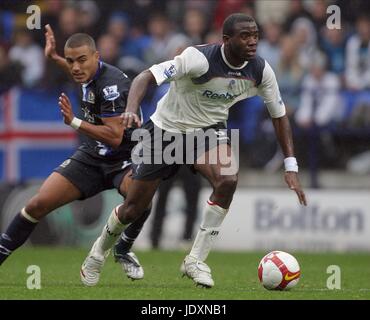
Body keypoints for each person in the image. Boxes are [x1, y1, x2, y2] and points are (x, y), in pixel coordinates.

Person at [86, 13, 307, 288]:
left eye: (255, 35)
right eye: (245, 36)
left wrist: (290, 166)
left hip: (208, 131)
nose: (253, 42)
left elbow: (279, 115)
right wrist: (131, 109)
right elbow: (146, 76)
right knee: (133, 208)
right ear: (226, 40)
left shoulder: (260, 70)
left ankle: (195, 260)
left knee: (228, 179)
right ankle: (98, 252)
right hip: (166, 130)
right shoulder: (197, 58)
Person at [0, 25, 150, 286]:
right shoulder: (85, 73)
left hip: (126, 157)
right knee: (37, 205)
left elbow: (115, 137)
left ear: (97, 56)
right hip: (92, 156)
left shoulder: (112, 85)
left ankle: (122, 249)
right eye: (71, 61)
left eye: (81, 60)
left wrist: (74, 122)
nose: (75, 67)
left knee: (140, 201)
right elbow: (75, 71)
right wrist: (54, 58)